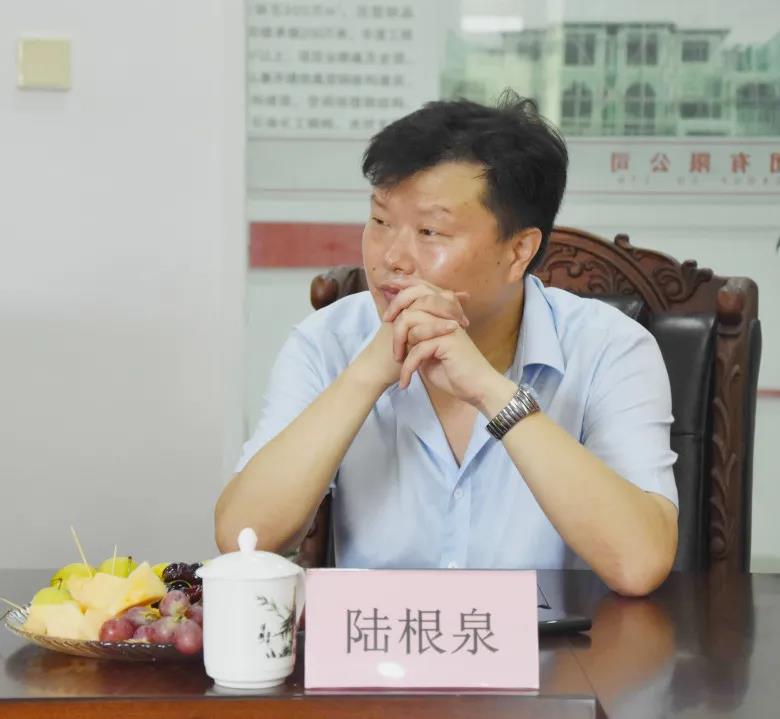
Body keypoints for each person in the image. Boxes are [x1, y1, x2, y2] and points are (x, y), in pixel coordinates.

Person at [215, 91, 679, 597]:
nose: (391, 258)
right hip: (379, 641)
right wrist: (367, 374)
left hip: (555, 646)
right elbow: (243, 538)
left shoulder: (610, 348)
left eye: (430, 231)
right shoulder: (328, 341)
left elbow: (639, 564)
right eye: (380, 221)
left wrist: (490, 391)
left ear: (518, 251)